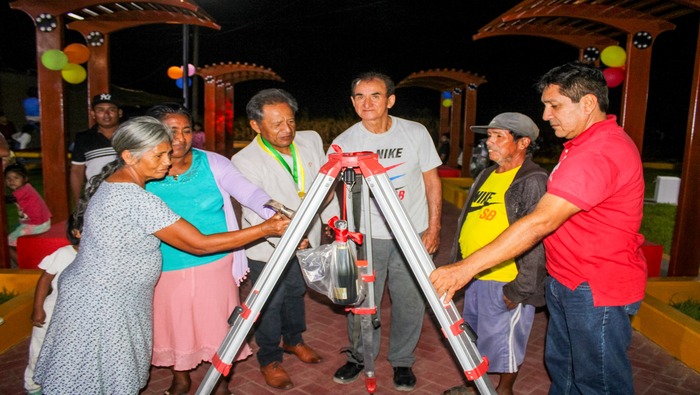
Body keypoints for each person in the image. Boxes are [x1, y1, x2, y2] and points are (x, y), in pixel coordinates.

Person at [430, 62, 647, 394]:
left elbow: (541, 220)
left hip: (595, 288)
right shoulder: (580, 146)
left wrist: (465, 268)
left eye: (554, 105)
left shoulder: (600, 151)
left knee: (597, 382)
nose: (546, 115)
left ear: (587, 103)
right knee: (565, 371)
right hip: (568, 281)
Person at [33, 116, 289, 394]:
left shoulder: (115, 183)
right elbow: (199, 244)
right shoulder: (136, 199)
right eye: (159, 155)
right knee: (96, 377)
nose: (167, 161)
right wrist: (266, 228)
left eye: (168, 153)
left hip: (100, 295)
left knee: (90, 375)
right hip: (105, 303)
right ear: (129, 156)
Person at [145, 103, 278, 395]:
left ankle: (219, 382)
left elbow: (249, 193)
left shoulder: (213, 163)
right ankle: (181, 378)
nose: (179, 138)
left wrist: (273, 212)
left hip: (216, 260)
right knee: (174, 324)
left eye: (186, 130)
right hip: (163, 264)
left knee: (219, 326)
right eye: (171, 131)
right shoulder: (144, 170)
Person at [329, 72, 443, 391]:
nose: (368, 103)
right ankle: (359, 356)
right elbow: (329, 191)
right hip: (367, 237)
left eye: (375, 95)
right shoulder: (345, 142)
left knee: (410, 301)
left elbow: (432, 181)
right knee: (362, 302)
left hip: (411, 234)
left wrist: (434, 228)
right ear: (352, 102)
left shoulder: (415, 133)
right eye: (360, 97)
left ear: (390, 100)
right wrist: (338, 231)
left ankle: (402, 361)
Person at [232, 88, 339, 390]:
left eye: (290, 121)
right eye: (276, 123)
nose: (286, 129)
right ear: (255, 125)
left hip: (307, 240)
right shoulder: (245, 160)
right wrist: (291, 240)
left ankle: (294, 341)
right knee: (269, 301)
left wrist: (332, 218)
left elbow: (325, 184)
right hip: (269, 246)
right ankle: (269, 358)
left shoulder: (312, 140)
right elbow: (257, 212)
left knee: (295, 293)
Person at [442, 113, 548, 395]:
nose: (489, 143)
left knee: (506, 344)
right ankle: (479, 387)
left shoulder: (532, 180)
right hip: (476, 275)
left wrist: (519, 289)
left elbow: (537, 237)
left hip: (505, 280)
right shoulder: (487, 174)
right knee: (477, 337)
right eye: (489, 136)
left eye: (498, 136)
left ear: (523, 142)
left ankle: (503, 391)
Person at [24, 211, 83, 395]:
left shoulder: (100, 256)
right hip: (51, 312)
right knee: (39, 349)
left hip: (75, 318)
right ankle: (33, 385)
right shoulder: (63, 254)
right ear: (77, 232)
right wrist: (38, 308)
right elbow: (44, 280)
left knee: (68, 352)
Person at [69, 93, 122, 206]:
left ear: (120, 113)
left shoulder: (133, 134)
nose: (106, 114)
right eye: (100, 110)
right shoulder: (83, 138)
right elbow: (77, 171)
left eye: (111, 110)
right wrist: (79, 202)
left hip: (130, 196)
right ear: (93, 114)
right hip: (96, 198)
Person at [4, 163, 51, 264]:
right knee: (16, 231)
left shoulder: (23, 190)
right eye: (8, 178)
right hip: (39, 222)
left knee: (5, 242)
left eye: (16, 178)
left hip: (36, 224)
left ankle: (21, 264)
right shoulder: (26, 188)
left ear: (25, 179)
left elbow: (8, 199)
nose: (11, 181)